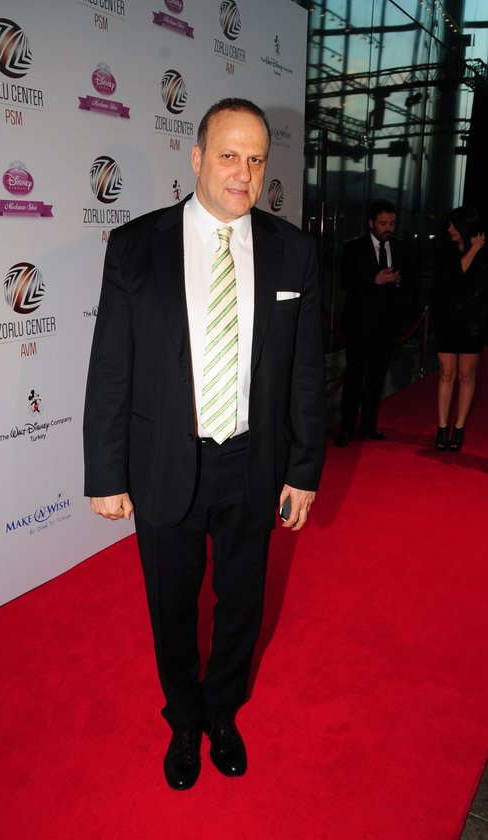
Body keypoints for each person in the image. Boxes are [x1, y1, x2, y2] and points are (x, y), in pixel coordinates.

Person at [83, 98, 327, 790]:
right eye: (228, 155)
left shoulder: (293, 251)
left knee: (242, 602)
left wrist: (304, 469)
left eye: (255, 159)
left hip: (254, 460)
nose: (243, 172)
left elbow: (306, 374)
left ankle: (223, 712)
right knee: (172, 605)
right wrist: (106, 474)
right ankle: (184, 718)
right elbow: (111, 367)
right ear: (196, 158)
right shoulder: (136, 245)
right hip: (165, 460)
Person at [335, 199, 408, 447]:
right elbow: (345, 281)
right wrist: (373, 280)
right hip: (359, 325)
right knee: (354, 378)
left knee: (377, 378)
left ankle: (369, 425)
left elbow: (411, 282)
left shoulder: (400, 248)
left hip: (386, 327)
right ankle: (346, 429)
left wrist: (398, 281)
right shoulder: (354, 248)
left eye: (392, 223)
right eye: (383, 223)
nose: (388, 228)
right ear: (371, 223)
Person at [431, 205, 487, 452]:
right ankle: (442, 426)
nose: (449, 229)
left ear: (466, 226)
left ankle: (460, 426)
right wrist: (474, 248)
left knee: (466, 376)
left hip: (473, 323)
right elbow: (452, 278)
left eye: (454, 225)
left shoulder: (485, 255)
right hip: (446, 321)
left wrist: (477, 250)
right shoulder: (446, 252)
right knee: (446, 374)